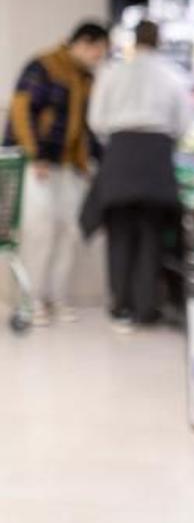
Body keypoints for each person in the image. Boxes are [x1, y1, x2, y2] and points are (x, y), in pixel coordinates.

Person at [82, 20, 190, 330]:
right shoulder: (172, 76)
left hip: (120, 155)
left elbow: (97, 121)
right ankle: (146, 309)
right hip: (157, 156)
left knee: (119, 234)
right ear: (159, 41)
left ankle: (121, 307)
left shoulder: (112, 74)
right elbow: (183, 124)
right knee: (152, 234)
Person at [4, 21, 108, 326]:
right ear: (84, 43)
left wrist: (90, 161)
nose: (99, 57)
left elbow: (85, 126)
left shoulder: (86, 78)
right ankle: (30, 299)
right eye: (98, 50)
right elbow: (21, 109)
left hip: (68, 166)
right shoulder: (44, 66)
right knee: (39, 231)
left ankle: (55, 297)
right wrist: (34, 153)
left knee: (69, 231)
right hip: (38, 164)